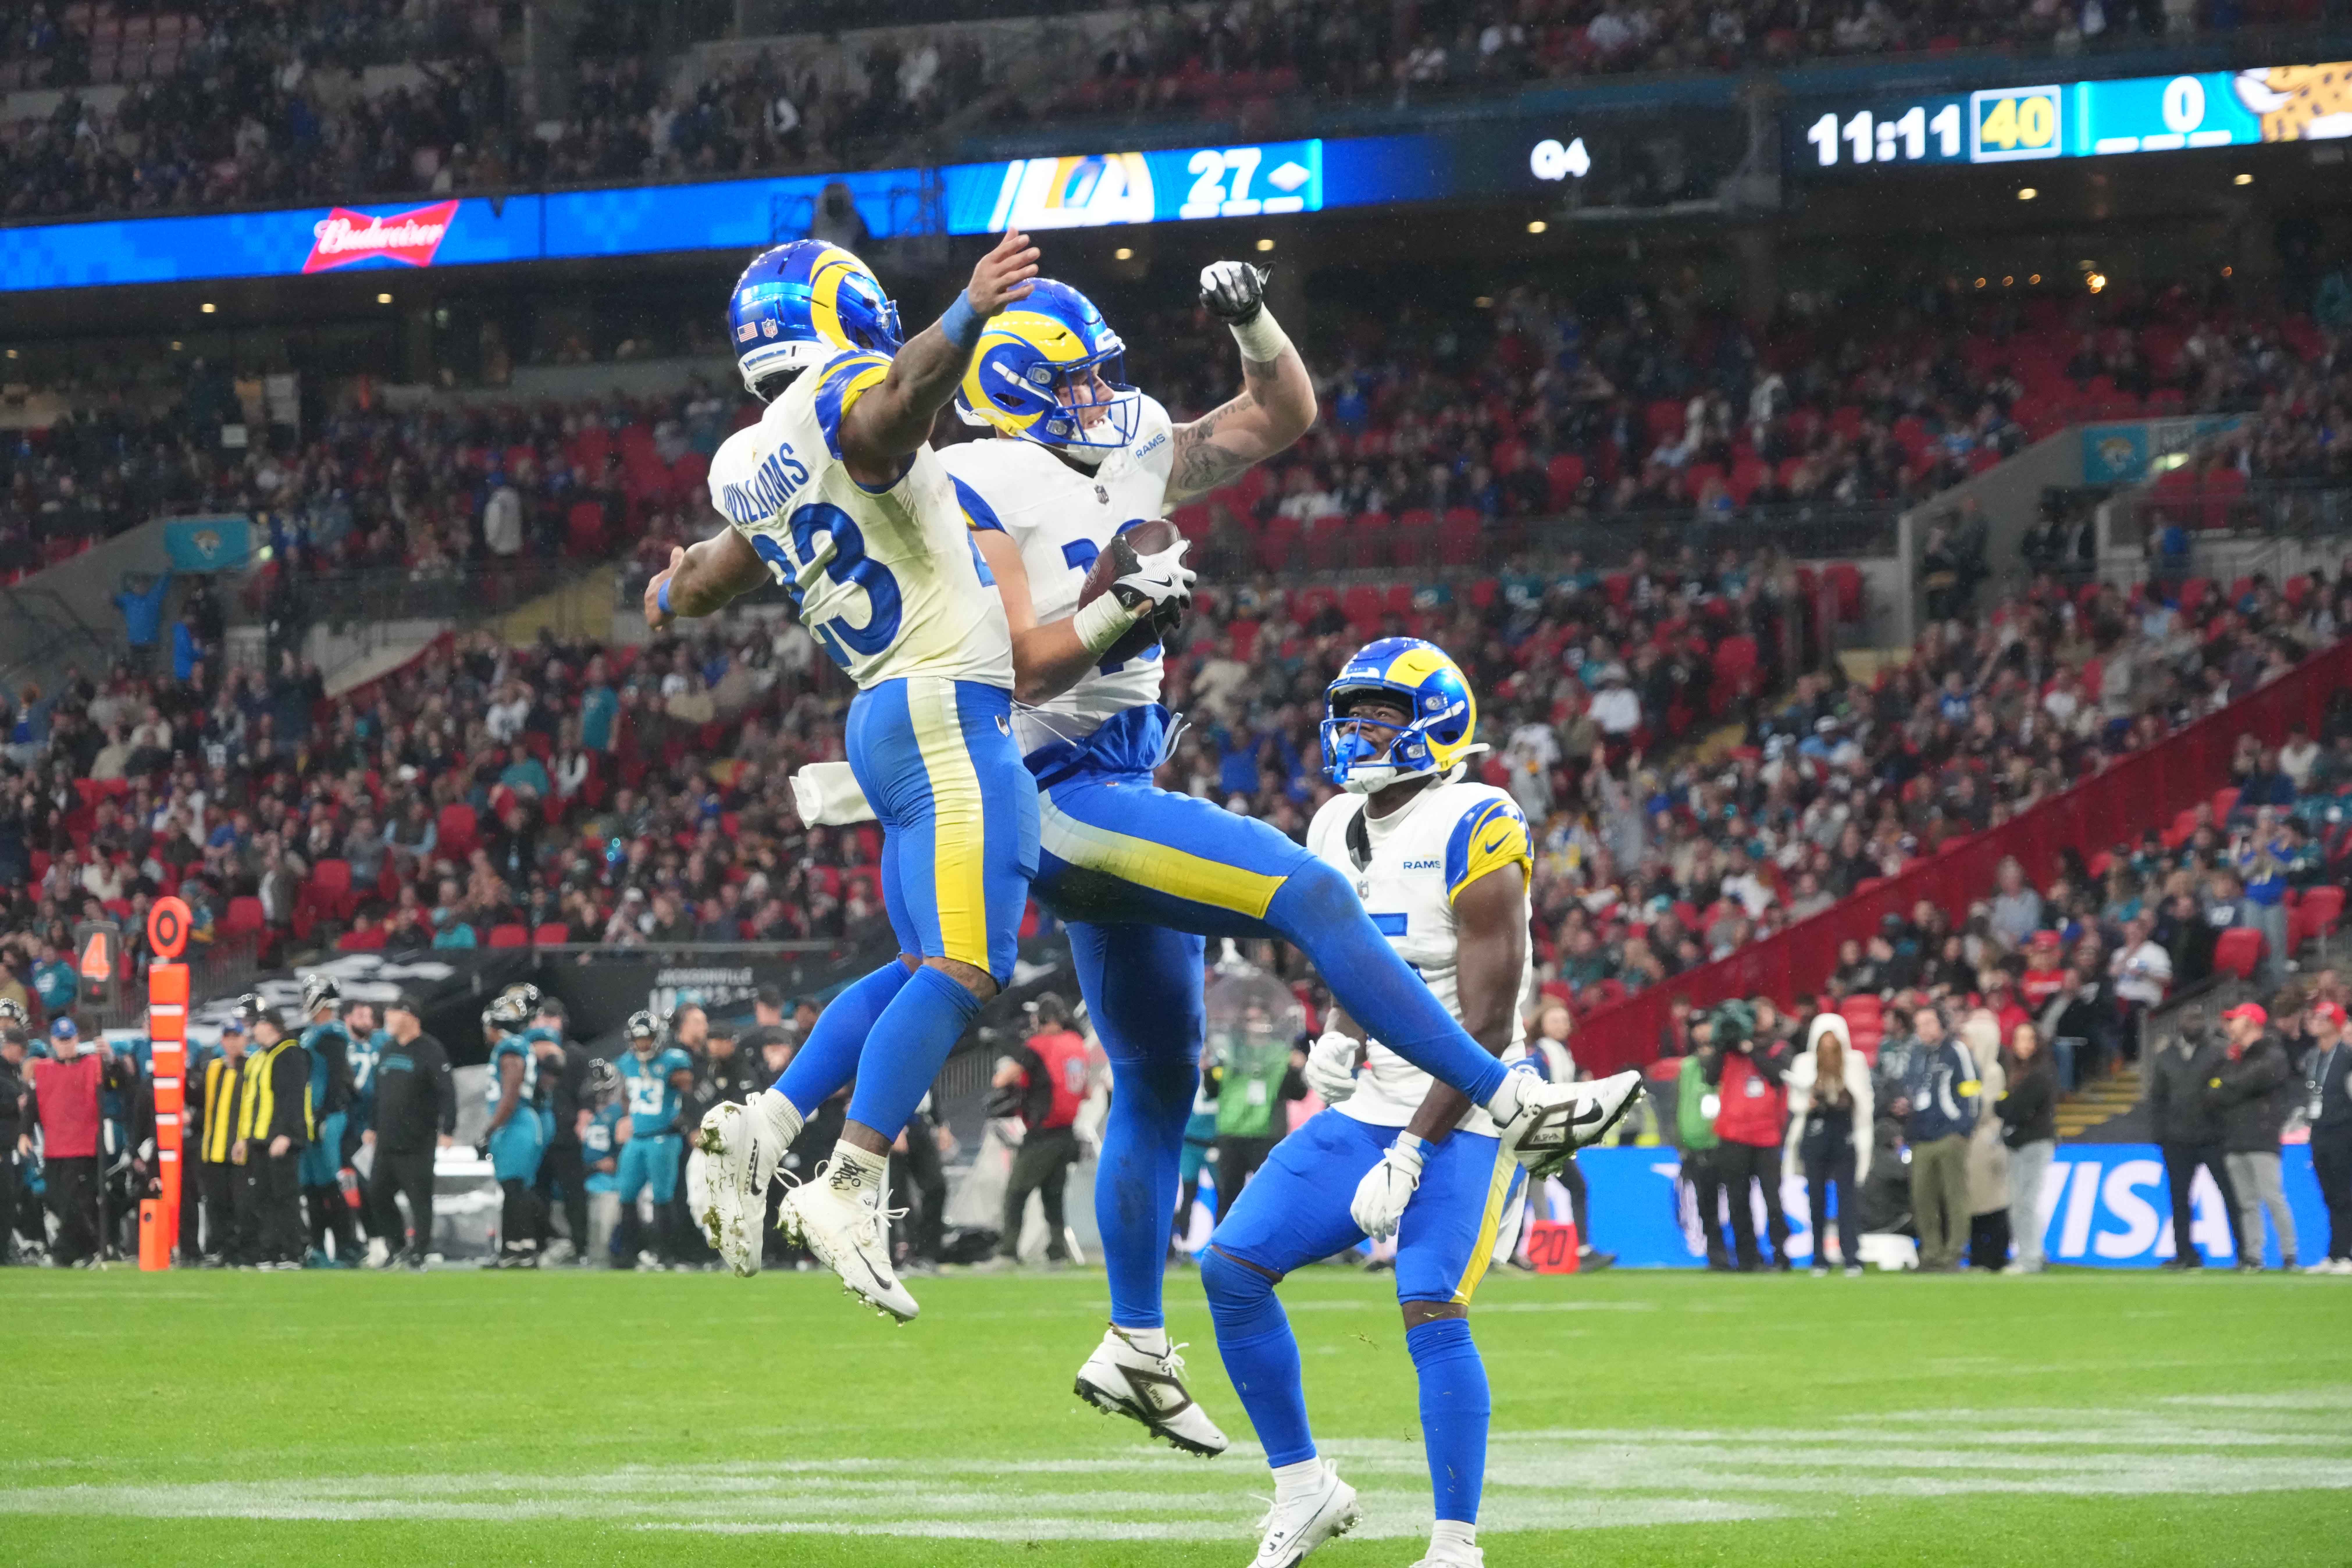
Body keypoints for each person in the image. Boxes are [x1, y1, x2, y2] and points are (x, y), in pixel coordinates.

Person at [931, 283, 1629, 1439]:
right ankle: (1513, 1099)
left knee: (1162, 1075)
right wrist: (1119, 611)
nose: (1107, 395)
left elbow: (1278, 415)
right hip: (1051, 788)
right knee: (1306, 888)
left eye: (1107, 371)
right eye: (1079, 380)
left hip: (1120, 783)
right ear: (1013, 396)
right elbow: (1024, 670)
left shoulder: (1130, 448)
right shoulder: (982, 478)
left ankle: (1135, 1344)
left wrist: (1254, 323)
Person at [667, 231, 1046, 1322]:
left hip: (884, 712)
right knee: (971, 966)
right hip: (943, 702)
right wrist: (967, 312)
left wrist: (663, 596)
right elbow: (890, 412)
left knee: (928, 964)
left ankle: (769, 1124)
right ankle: (850, 1179)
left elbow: (704, 580)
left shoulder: (745, 459)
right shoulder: (851, 395)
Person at [1207, 640, 1630, 1568]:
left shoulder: (1477, 819)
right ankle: (1303, 1487)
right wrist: (1338, 1031)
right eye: (1351, 714)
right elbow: (1355, 954)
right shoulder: (1330, 824)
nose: (1359, 731)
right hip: (1367, 1104)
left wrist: (1408, 1150)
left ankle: (1453, 1545)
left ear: (1436, 722)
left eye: (1381, 716)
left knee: (1428, 1299)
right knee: (1229, 1268)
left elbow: (1481, 1017)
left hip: (1470, 1112)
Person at [986, 993, 1091, 1267]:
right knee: (1053, 1195)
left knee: (1016, 1192)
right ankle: (1057, 1252)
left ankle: (1009, 1251)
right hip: (1068, 1132)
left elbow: (1003, 1080)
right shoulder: (1077, 1043)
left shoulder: (1040, 1046)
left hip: (1043, 1132)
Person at [2145, 1011, 2246, 1269]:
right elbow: (2158, 1098)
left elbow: (2228, 1093)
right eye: (2190, 1020)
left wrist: (2226, 1129)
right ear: (2180, 1025)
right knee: (2179, 1199)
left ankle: (2246, 1253)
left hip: (2213, 1137)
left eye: (2199, 1021)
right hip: (2176, 1139)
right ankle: (2185, 1254)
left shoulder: (2217, 1054)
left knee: (2231, 1195)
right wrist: (2161, 1135)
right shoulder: (2166, 1057)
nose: (2195, 1025)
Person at [1705, 998, 1794, 1271]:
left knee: (1773, 1200)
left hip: (1767, 1136)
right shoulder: (1727, 1052)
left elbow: (1778, 1076)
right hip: (1733, 1137)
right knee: (1738, 1200)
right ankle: (1748, 1258)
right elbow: (1709, 1077)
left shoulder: (1778, 1049)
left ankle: (1781, 1254)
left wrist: (1751, 1049)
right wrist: (1723, 1045)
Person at [368, 993, 455, 1268]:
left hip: (418, 1140)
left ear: (408, 1015)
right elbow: (378, 1093)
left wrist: (448, 1129)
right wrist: (372, 1126)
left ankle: (420, 1251)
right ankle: (396, 1246)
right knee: (377, 1193)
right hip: (387, 1139)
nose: (387, 1019)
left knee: (419, 1198)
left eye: (392, 1013)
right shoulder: (387, 1050)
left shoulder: (431, 1050)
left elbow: (447, 1093)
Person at [2207, 1003, 2296, 1272]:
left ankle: (2290, 1255)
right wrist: (2229, 1087)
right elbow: (2213, 1091)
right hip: (2235, 1138)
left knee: (2272, 1197)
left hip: (2262, 1137)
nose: (2229, 1026)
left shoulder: (2273, 1055)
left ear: (2251, 1023)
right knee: (2246, 1203)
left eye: (2235, 1020)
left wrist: (2229, 1087)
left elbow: (2246, 1082)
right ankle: (2253, 1256)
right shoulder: (2234, 1059)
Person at [1785, 1011, 1872, 1276]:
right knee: (1817, 1200)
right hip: (1815, 1134)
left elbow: (1865, 1098)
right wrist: (1809, 1101)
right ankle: (1819, 1257)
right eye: (1825, 1038)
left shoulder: (1854, 1062)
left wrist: (1845, 1098)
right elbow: (1795, 1102)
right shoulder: (1804, 1063)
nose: (1830, 1045)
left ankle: (1851, 1256)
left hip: (1844, 1134)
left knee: (1848, 1199)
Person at [1893, 1005, 1977, 1272]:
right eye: (1919, 1025)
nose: (1924, 1030)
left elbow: (1972, 1088)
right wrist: (1905, 1106)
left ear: (1942, 1024)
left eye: (1929, 1023)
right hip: (1921, 1136)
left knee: (1954, 1196)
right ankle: (1931, 1253)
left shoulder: (1957, 1051)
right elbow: (1911, 1087)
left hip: (1949, 1135)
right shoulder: (1916, 1054)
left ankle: (1953, 1254)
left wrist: (1964, 1127)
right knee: (1922, 1197)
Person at [233, 1000, 312, 1270]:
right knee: (264, 1199)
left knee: (284, 1197)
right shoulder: (262, 1057)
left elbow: (294, 1099)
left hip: (279, 1140)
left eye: (260, 1025)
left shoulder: (290, 1055)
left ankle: (292, 1251)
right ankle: (271, 1251)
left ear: (272, 1027)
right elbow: (250, 1102)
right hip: (260, 1139)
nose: (255, 1031)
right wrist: (243, 1138)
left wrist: (288, 1135)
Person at [614, 1011, 694, 1270]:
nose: (643, 1045)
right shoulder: (627, 1063)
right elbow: (625, 1094)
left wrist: (684, 1118)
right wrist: (628, 1116)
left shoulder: (674, 1061)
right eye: (639, 1040)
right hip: (637, 1138)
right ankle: (629, 1253)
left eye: (647, 1039)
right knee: (626, 1193)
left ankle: (665, 1253)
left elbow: (690, 1091)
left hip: (664, 1138)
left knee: (662, 1196)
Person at [294, 973, 362, 1268]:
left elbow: (338, 1079)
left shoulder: (331, 1034)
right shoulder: (313, 1033)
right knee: (312, 1186)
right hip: (312, 1116)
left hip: (327, 1117)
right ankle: (319, 1246)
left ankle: (348, 1245)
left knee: (331, 1185)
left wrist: (323, 1114)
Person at [479, 984, 548, 1267]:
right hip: (521, 1121)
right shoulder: (517, 1046)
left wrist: (491, 1128)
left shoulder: (509, 1049)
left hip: (516, 1121)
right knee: (516, 1187)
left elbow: (510, 1093)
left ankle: (518, 1248)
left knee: (514, 1186)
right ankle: (520, 1247)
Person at [528, 997, 594, 1265]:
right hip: (538, 1134)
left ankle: (581, 1248)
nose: (548, 1023)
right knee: (537, 1193)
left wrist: (583, 1122)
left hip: (566, 1133)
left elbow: (587, 1094)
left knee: (574, 1195)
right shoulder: (528, 1052)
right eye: (544, 1017)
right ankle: (540, 1243)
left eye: (553, 1018)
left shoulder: (575, 1054)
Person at [1994, 1022, 2057, 1273]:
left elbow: (2012, 1110)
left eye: (2029, 1040)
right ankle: (2033, 1253)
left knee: (2025, 1204)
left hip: (2034, 1143)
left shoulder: (2040, 1074)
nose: (2024, 1046)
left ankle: (2030, 1259)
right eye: (2019, 1040)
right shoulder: (2016, 1073)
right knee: (2021, 1203)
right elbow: (2008, 1108)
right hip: (2020, 1143)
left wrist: (2004, 1105)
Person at [193, 1015, 253, 1266]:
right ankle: (223, 1251)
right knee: (217, 1205)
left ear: (244, 1039)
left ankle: (246, 1251)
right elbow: (202, 1104)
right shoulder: (213, 1068)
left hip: (240, 1150)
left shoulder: (252, 1067)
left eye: (236, 1037)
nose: (231, 1042)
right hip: (213, 1149)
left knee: (243, 1205)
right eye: (227, 1037)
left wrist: (247, 1140)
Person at [2297, 999, 2351, 1273]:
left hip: (2344, 1130)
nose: (2316, 1021)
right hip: (2319, 1130)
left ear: (2337, 1023)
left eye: (2324, 1017)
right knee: (2329, 1194)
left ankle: (2346, 1255)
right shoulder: (2312, 1056)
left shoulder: (2348, 1055)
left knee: (2345, 1194)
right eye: (2316, 1016)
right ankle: (2335, 1253)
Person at [1677, 1014, 1731, 1269]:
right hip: (1696, 1146)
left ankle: (1743, 1252)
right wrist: (1682, 1141)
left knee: (1735, 1201)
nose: (1701, 1033)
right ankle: (1717, 1255)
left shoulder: (1729, 1063)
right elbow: (1683, 1106)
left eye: (1706, 1026)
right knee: (1706, 1204)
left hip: (1725, 1141)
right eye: (1697, 1028)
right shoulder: (1688, 1066)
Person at [1959, 1011, 2011, 1271]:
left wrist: (1961, 1114)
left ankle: (1997, 1255)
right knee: (1975, 1202)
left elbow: (1985, 1108)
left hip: (1986, 1142)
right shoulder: (1968, 1069)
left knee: (1993, 1202)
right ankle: (1978, 1255)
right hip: (1971, 1142)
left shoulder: (1992, 1071)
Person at [579, 1057, 625, 1266]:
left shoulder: (618, 1114)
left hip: (610, 1182)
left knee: (604, 1236)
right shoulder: (583, 1115)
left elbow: (619, 1155)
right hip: (586, 1180)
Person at [0, 1022, 23, 1264]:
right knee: (5, 1201)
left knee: (8, 1202)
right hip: (3, 1148)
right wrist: (15, 1105)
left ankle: (4, 1253)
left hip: (10, 1149)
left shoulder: (13, 1074)